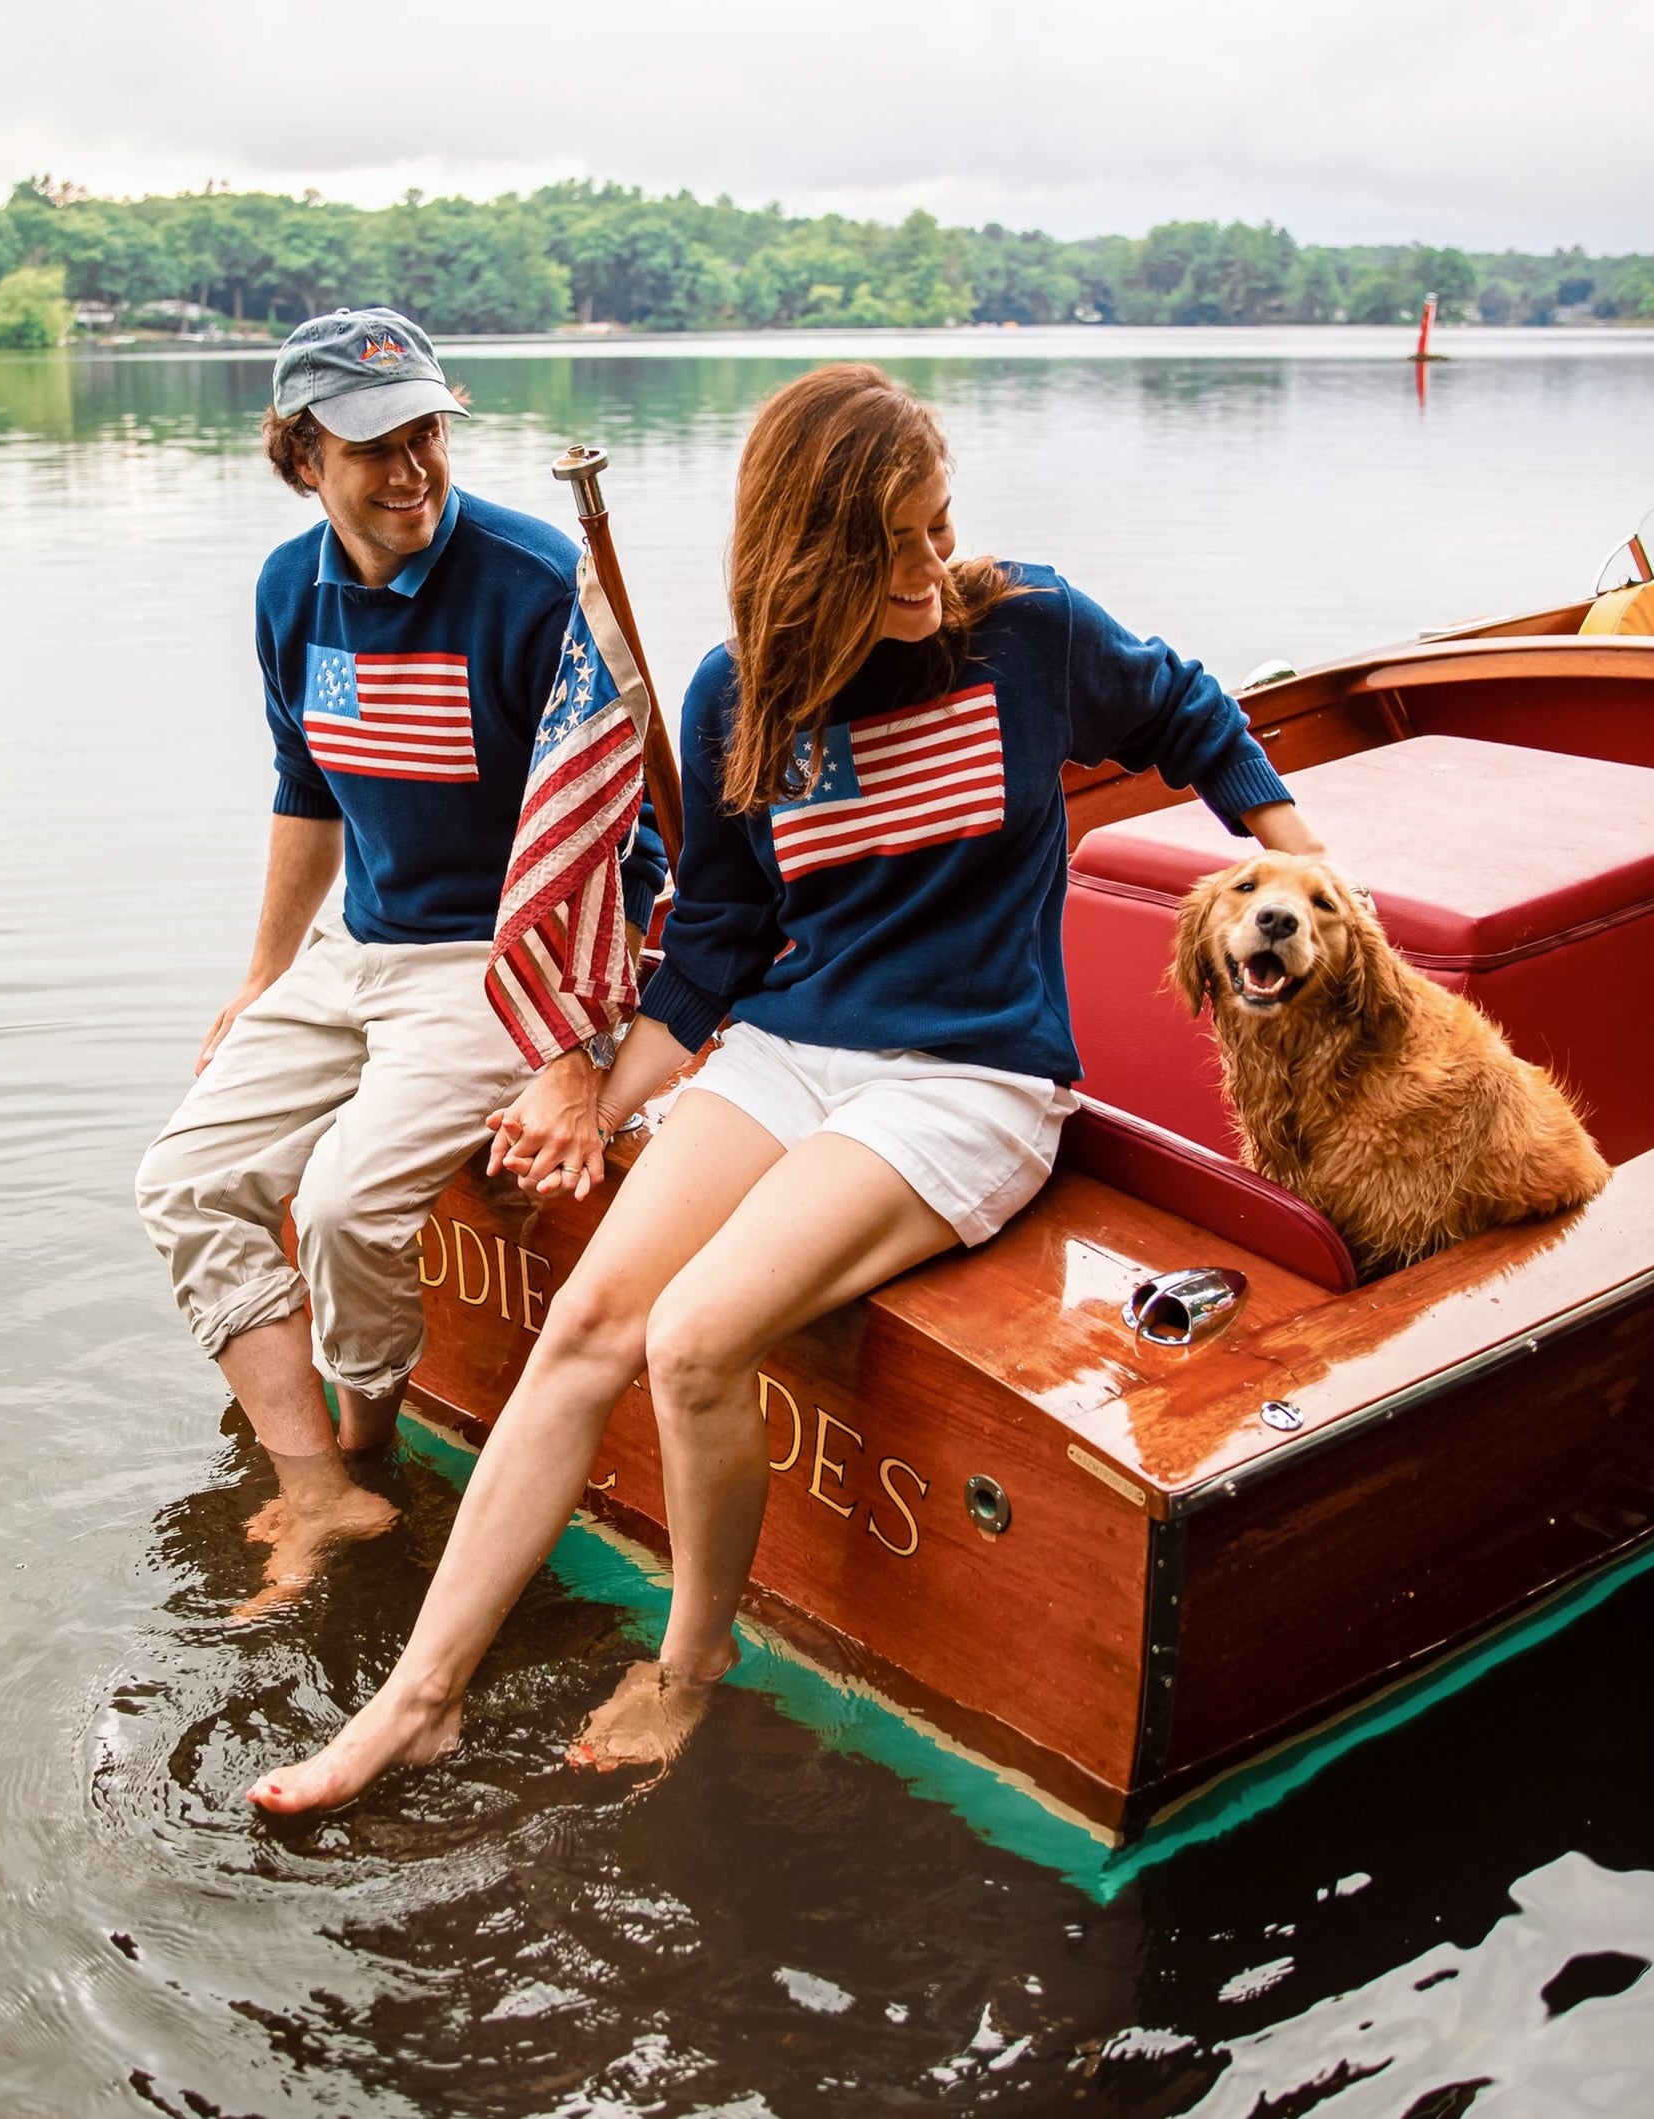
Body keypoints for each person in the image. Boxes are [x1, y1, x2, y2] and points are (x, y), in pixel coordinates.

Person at [247, 360, 1326, 1811]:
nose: (931, 568)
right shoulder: (737, 695)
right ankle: (417, 1703)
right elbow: (715, 942)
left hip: (971, 1076)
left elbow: (1189, 711)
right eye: (894, 545)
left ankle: (693, 1659)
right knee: (587, 1325)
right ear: (808, 553)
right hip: (787, 1047)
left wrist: (1310, 864)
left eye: (940, 526)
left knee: (695, 1338)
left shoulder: (1028, 632)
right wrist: (594, 1096)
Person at [135, 307, 665, 1614]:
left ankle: (370, 1449)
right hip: (354, 948)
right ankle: (314, 1482)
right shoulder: (289, 590)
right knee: (184, 1182)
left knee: (343, 1207)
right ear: (301, 456)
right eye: (374, 443)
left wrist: (573, 1050)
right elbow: (306, 789)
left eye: (425, 430)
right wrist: (263, 977)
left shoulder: (535, 582)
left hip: (503, 959)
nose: (413, 466)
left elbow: (623, 836)